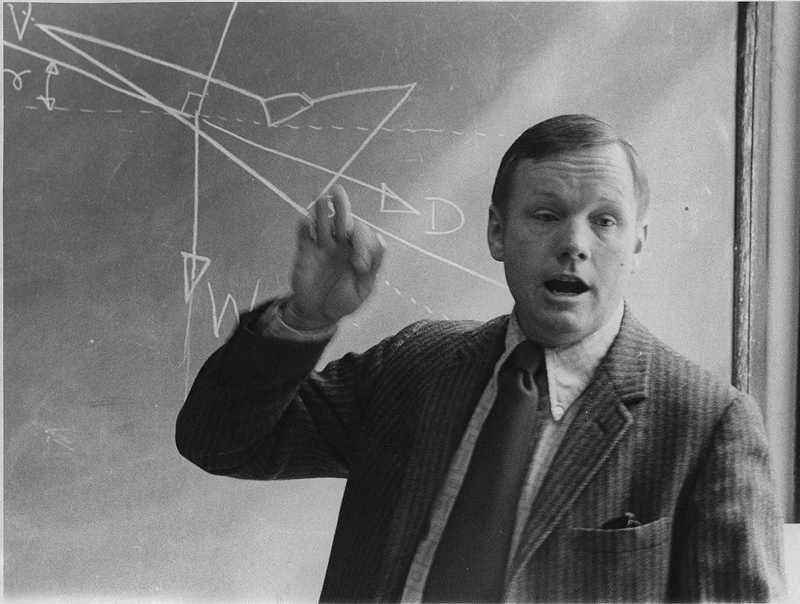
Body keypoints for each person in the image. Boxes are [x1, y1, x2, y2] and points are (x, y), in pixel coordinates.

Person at [176, 114, 786, 602]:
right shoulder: (417, 367)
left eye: (604, 221)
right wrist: (308, 318)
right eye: (546, 215)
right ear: (497, 233)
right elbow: (220, 441)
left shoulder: (706, 425)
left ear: (638, 239)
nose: (574, 244)